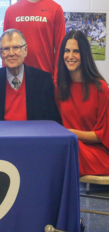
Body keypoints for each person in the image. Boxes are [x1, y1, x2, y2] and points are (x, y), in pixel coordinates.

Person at [0, 29, 61, 122]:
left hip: (33, 135)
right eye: (6, 49)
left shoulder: (43, 81)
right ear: (1, 54)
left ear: (25, 50)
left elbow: (52, 122)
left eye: (16, 47)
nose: (11, 53)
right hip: (0, 135)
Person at [56, 30, 109, 176]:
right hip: (71, 147)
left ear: (84, 54)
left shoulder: (101, 88)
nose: (70, 56)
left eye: (76, 51)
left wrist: (72, 134)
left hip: (97, 154)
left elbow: (103, 135)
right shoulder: (59, 88)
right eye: (67, 51)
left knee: (65, 147)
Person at [3, 0, 65, 77]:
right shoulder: (11, 11)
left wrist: (57, 81)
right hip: (17, 79)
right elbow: (5, 49)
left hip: (45, 79)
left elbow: (61, 50)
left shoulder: (55, 10)